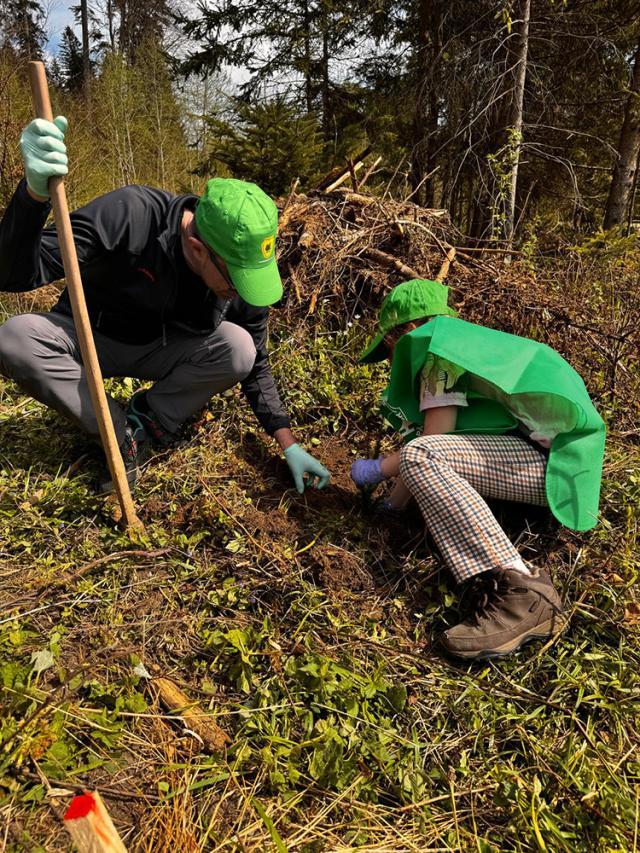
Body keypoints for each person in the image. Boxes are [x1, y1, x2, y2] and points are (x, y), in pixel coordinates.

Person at [0, 115, 330, 494]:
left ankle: (147, 420)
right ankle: (115, 427)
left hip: (164, 348)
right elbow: (16, 275)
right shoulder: (132, 215)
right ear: (197, 248)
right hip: (93, 337)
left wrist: (286, 441)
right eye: (235, 281)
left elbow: (256, 354)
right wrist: (33, 197)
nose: (241, 293)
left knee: (239, 349)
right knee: (15, 337)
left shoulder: (239, 268)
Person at [350, 279, 606, 661]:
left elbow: (431, 443)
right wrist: (394, 508)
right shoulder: (468, 346)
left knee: (422, 456)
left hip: (552, 468)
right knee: (426, 457)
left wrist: (380, 474)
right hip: (558, 463)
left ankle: (525, 594)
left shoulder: (439, 352)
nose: (391, 358)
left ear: (406, 333)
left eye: (389, 347)